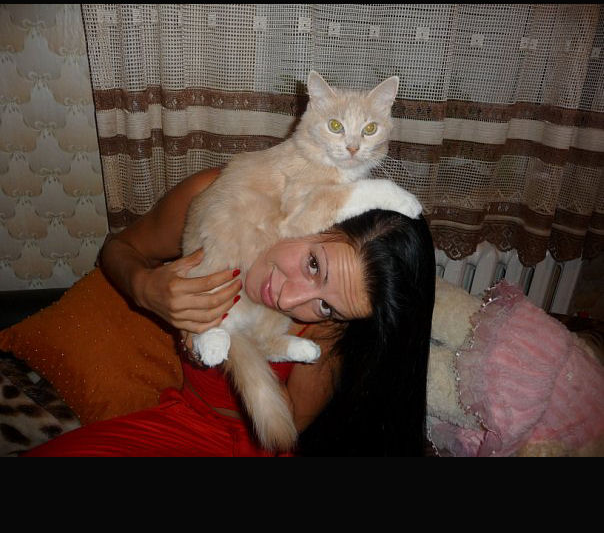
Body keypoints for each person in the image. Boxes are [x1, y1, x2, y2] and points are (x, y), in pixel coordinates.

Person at [23, 167, 435, 457]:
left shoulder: (333, 324)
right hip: (182, 421)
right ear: (312, 210)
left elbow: (284, 427)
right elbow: (119, 247)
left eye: (325, 305)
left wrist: (236, 346)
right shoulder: (218, 198)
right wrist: (143, 288)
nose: (289, 300)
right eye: (313, 264)